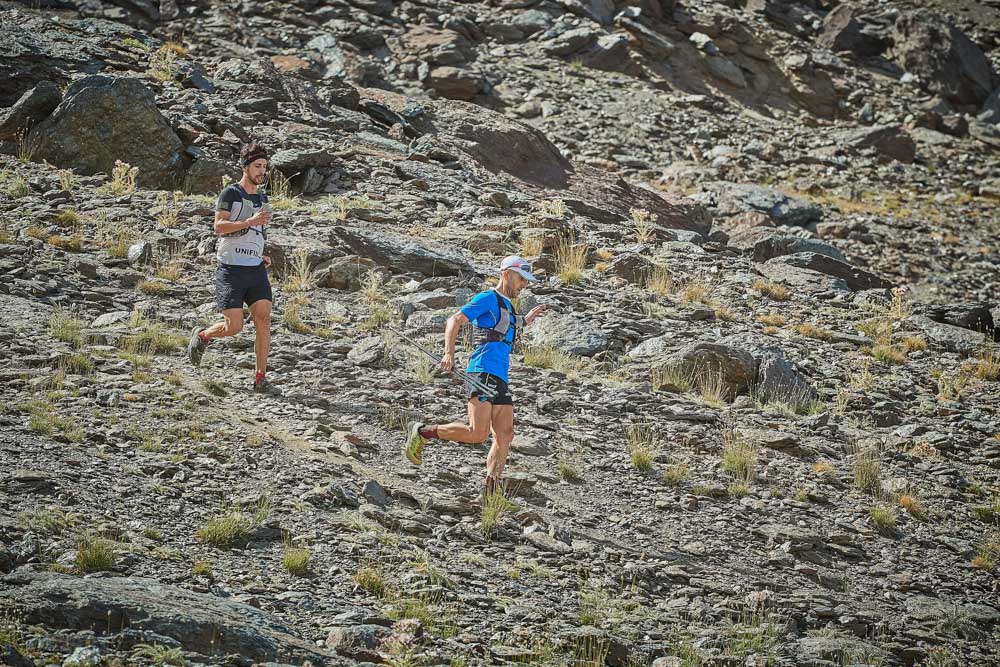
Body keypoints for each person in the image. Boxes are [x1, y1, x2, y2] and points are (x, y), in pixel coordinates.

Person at [404, 256, 548, 496]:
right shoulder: (487, 298)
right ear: (506, 274)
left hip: (500, 375)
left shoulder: (508, 306)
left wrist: (526, 320)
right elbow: (455, 319)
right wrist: (448, 353)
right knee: (477, 433)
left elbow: (507, 324)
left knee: (505, 434)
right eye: (522, 279)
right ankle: (422, 431)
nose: (524, 284)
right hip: (481, 371)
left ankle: (491, 494)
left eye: (527, 281)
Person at [187, 143, 276, 394]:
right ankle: (203, 336)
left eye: (264, 167)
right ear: (245, 167)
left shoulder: (262, 197)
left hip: (255, 269)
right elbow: (219, 226)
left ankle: (260, 378)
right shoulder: (230, 193)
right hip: (231, 270)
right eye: (257, 167)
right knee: (234, 327)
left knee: (263, 320)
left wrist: (263, 253)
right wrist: (249, 221)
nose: (261, 172)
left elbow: (259, 230)